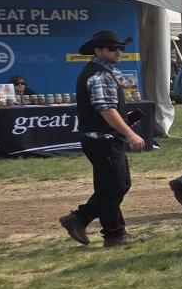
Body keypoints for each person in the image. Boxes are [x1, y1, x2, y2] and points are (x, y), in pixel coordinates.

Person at [58, 30, 148, 248]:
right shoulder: (99, 75)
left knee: (114, 185)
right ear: (97, 50)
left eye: (121, 48)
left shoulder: (102, 72)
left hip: (102, 139)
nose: (118, 51)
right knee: (115, 186)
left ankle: (113, 232)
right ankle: (87, 221)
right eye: (112, 48)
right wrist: (129, 133)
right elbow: (106, 110)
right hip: (103, 140)